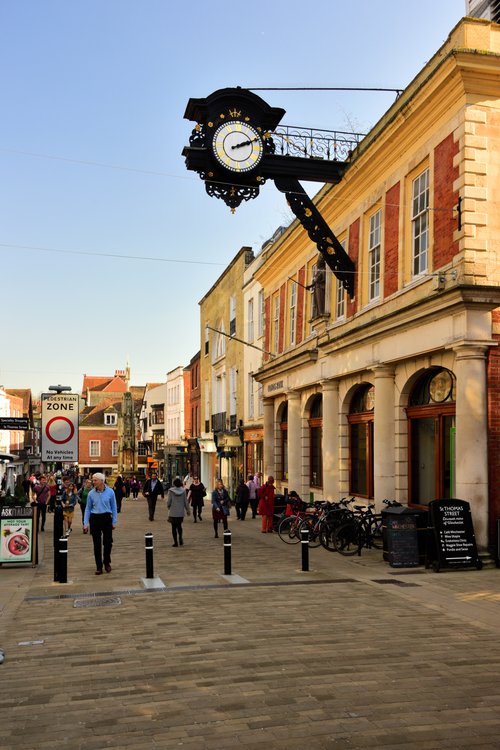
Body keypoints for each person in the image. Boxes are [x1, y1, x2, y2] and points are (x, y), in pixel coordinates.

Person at [83, 472, 117, 575]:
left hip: (106, 517)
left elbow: (114, 507)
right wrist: (85, 523)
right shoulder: (91, 493)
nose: (93, 482)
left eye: (95, 480)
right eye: (92, 480)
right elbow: (88, 509)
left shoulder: (110, 492)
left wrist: (114, 521)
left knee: (107, 542)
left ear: (101, 481)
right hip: (95, 518)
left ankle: (106, 562)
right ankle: (99, 566)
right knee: (96, 544)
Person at [167, 477, 190, 547]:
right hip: (180, 512)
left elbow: (169, 501)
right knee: (179, 526)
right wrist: (188, 510)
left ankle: (175, 542)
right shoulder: (183, 491)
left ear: (174, 484)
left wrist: (168, 506)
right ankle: (180, 537)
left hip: (173, 512)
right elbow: (185, 502)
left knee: (173, 527)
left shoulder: (170, 491)